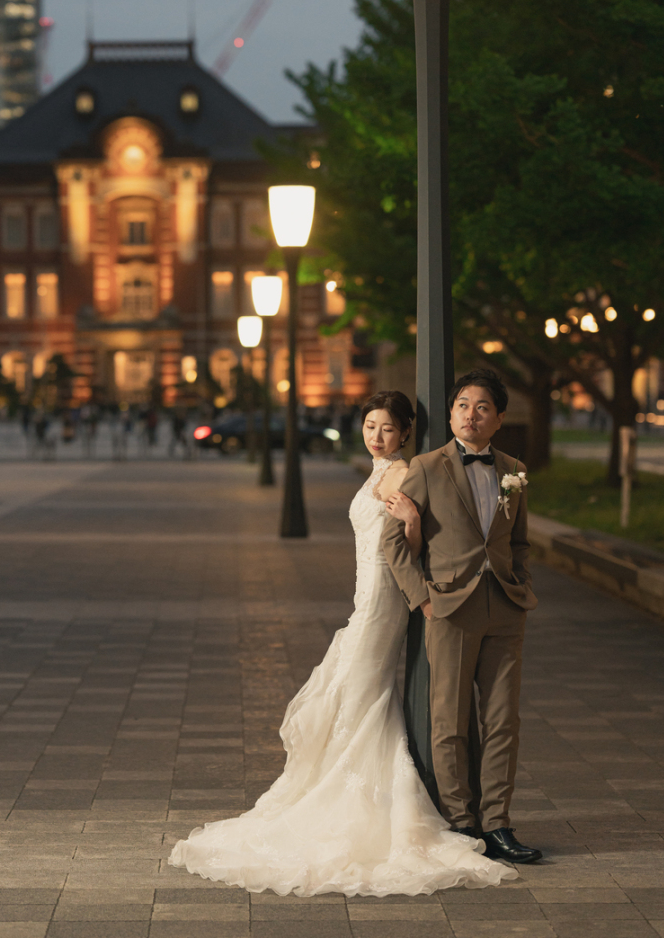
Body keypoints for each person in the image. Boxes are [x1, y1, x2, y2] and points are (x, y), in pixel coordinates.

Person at [169, 390, 515, 896]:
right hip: (365, 594)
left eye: (387, 428)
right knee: (358, 690)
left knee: (359, 687)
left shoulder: (402, 472)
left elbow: (409, 547)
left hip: (385, 598)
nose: (377, 436)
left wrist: (412, 522)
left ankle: (362, 794)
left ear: (405, 433)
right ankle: (341, 783)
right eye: (370, 426)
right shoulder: (379, 471)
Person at [382, 369, 541, 864]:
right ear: (451, 415)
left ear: (499, 417)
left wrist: (521, 584)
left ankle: (498, 824)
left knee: (503, 721)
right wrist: (423, 600)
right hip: (448, 608)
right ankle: (461, 822)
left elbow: (519, 541)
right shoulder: (427, 467)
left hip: (505, 608)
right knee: (449, 719)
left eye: (483, 407)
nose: (472, 415)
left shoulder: (514, 470)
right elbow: (393, 542)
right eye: (463, 406)